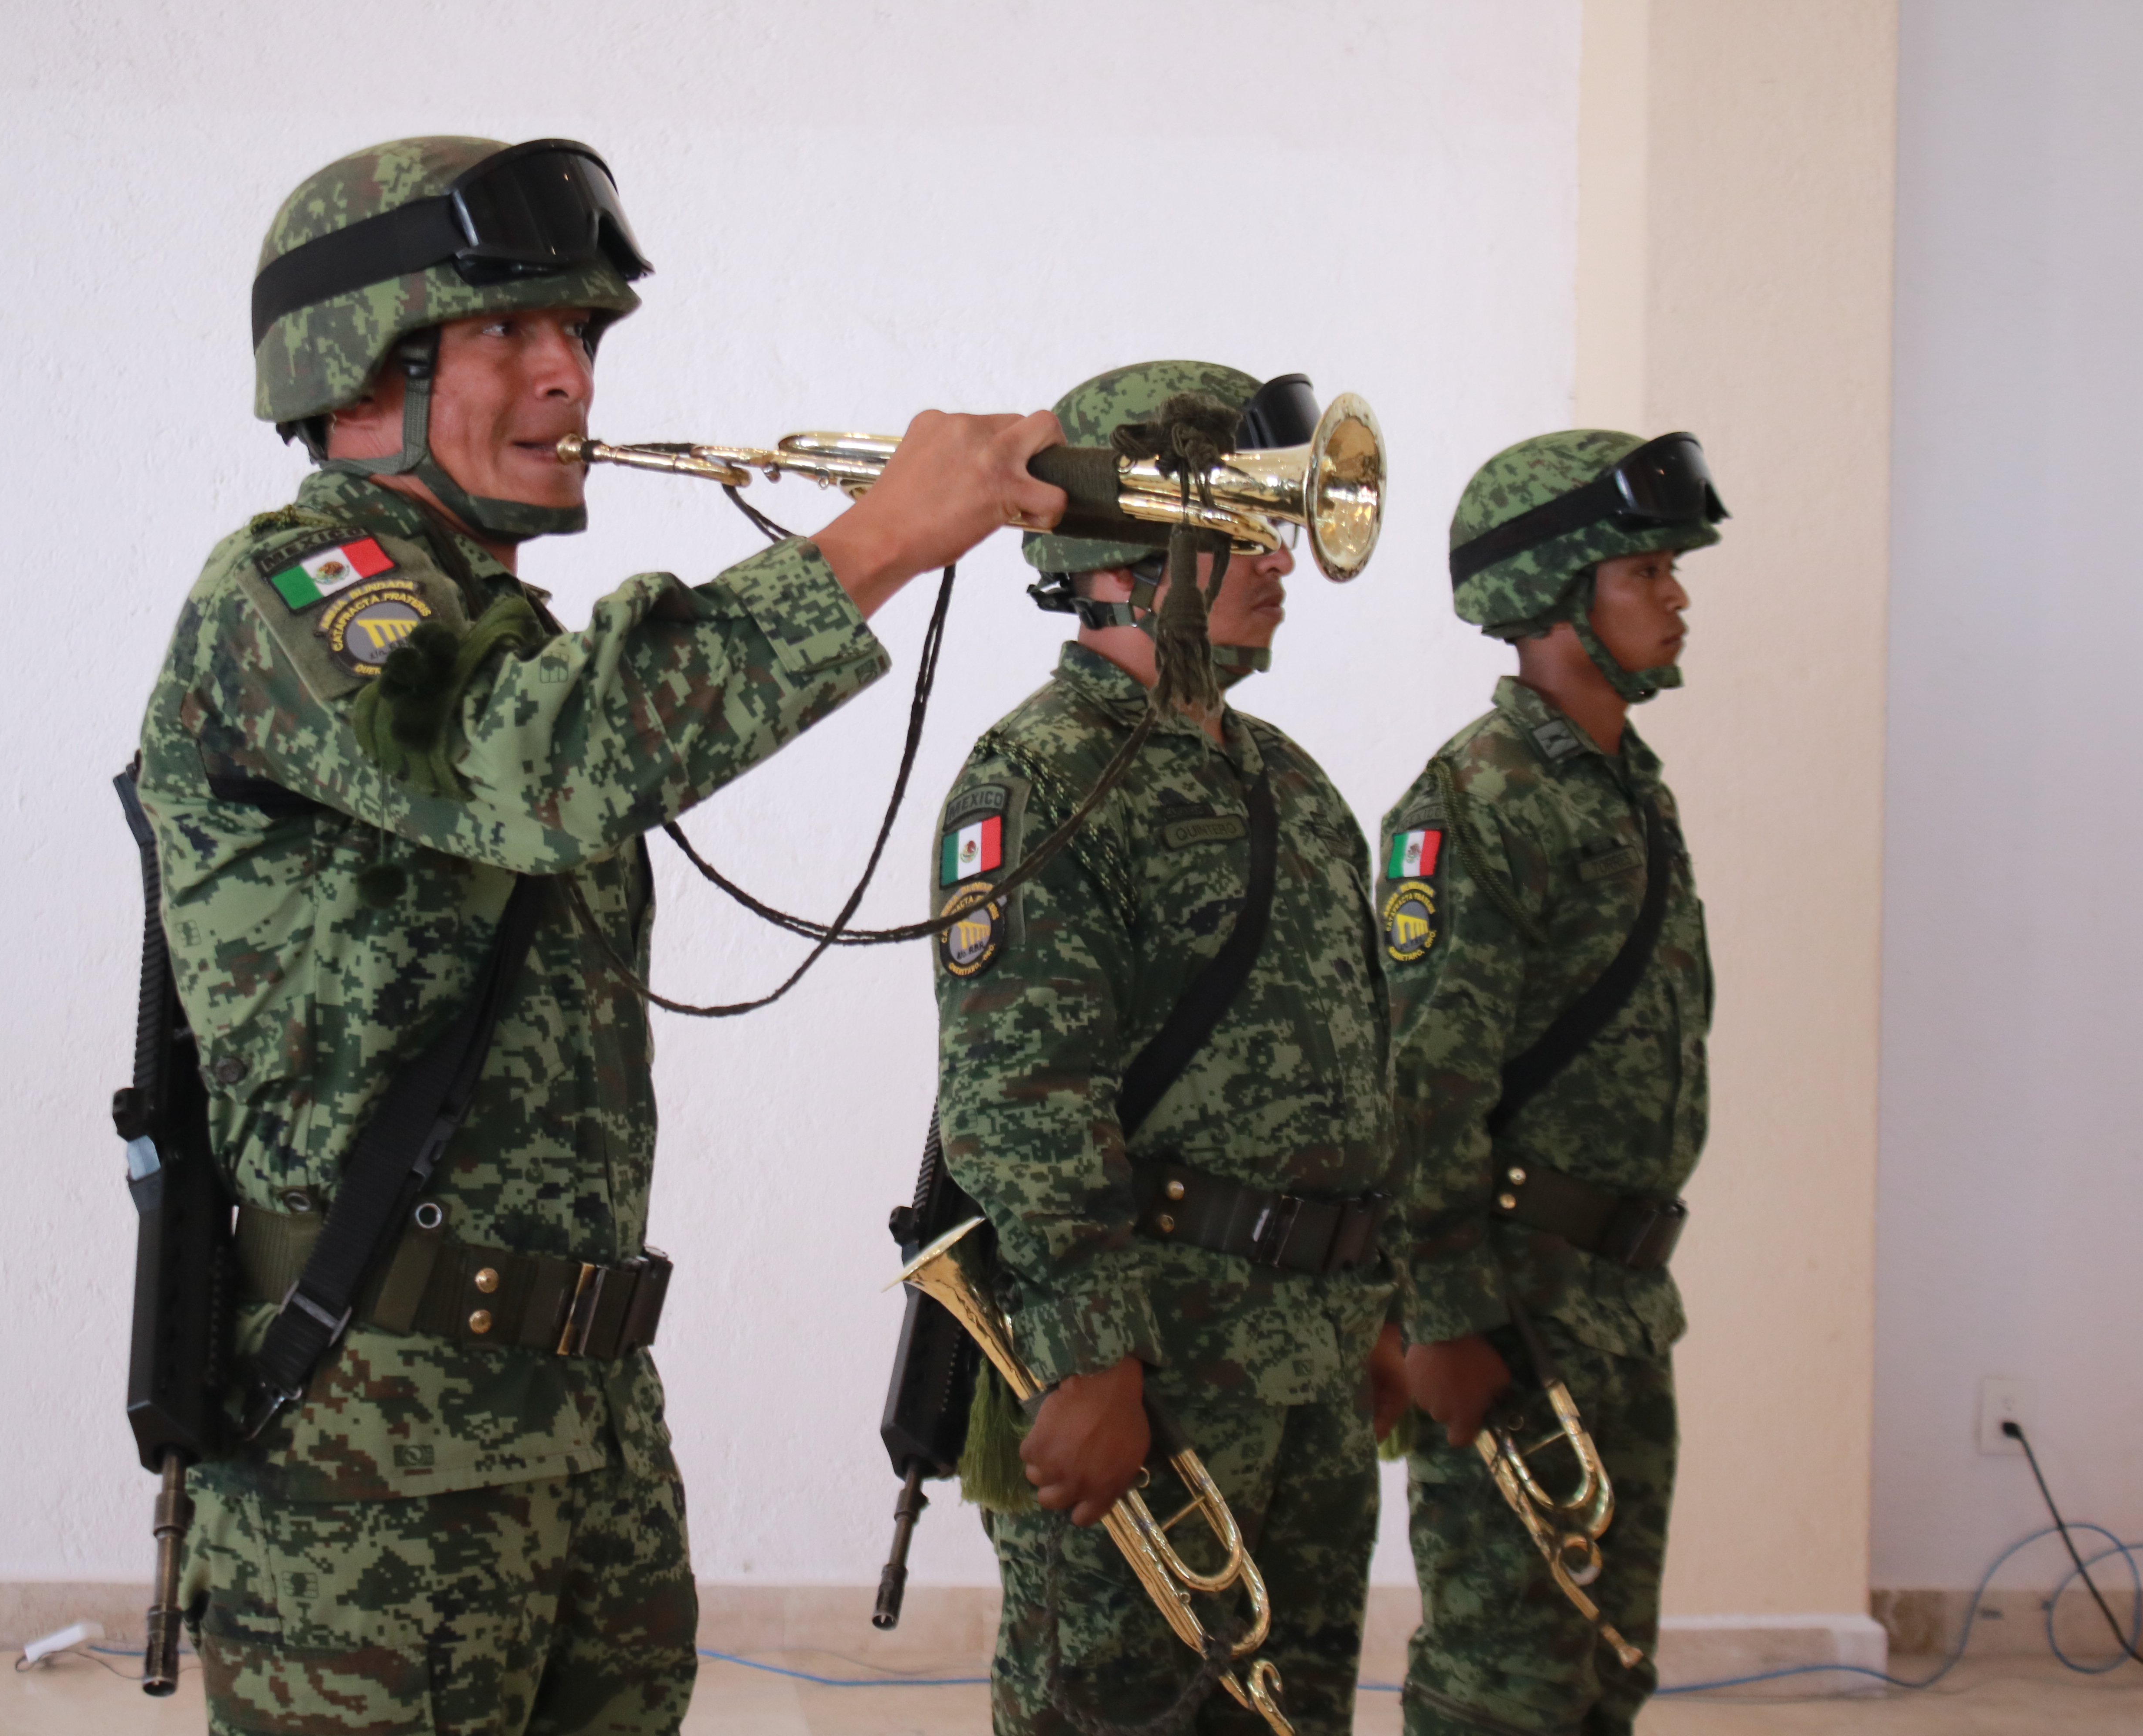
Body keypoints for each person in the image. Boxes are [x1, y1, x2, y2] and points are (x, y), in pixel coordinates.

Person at [137, 135, 1064, 1736]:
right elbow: (545, 764)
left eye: (585, 336)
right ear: (368, 361)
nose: (571, 376)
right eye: (514, 334)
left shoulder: (486, 621)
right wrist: (881, 540)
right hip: (375, 1444)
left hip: (581, 1424)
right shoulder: (292, 591)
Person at [929, 360, 1408, 1736]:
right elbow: (1020, 1094)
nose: (1280, 559)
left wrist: (1373, 1297)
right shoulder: (1038, 776)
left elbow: (1358, 1063)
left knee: (1288, 1714)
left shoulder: (1291, 784)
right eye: (1238, 526)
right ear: (1127, 556)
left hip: (1307, 1360)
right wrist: (1092, 1361)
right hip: (1156, 1358)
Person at [1379, 430, 1726, 1736]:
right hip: (1516, 1309)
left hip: (1623, 1299)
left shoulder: (1630, 789)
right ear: (1559, 593)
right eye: (1646, 568)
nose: (1677, 594)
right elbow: (1422, 1085)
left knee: (1606, 1664)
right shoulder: (1478, 798)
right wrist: (1446, 1321)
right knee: (1503, 1679)